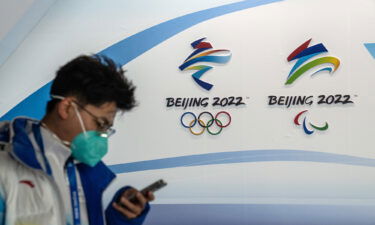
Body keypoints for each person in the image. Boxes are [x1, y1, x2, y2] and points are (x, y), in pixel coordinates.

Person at [0, 55, 154, 225]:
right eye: (100, 123)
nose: (102, 135)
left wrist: (120, 219)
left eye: (107, 128)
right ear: (67, 107)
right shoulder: (6, 162)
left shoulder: (83, 171)